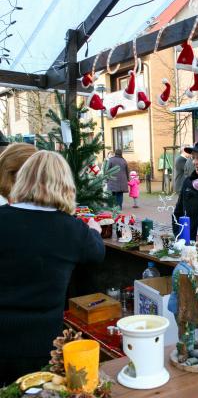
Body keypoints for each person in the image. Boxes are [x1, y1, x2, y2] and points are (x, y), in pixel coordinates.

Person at [0, 150, 105, 385]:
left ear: (23, 179)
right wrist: (94, 232)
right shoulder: (73, 230)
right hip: (42, 345)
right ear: (65, 185)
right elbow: (97, 253)